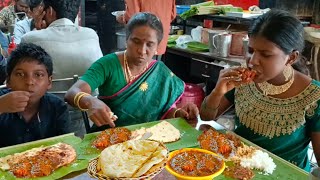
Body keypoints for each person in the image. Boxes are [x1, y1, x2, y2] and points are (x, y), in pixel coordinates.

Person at [200, 10, 320, 171]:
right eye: (250, 50)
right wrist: (217, 92)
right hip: (239, 168)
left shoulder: (313, 95)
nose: (253, 61)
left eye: (266, 54)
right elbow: (206, 116)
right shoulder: (240, 79)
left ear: (291, 58)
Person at [65, 12, 198, 131]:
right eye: (136, 41)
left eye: (150, 44)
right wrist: (90, 101)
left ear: (158, 46)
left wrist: (178, 114)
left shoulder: (160, 71)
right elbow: (72, 93)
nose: (142, 50)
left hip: (148, 139)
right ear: (126, 40)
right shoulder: (108, 64)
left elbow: (163, 112)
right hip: (109, 138)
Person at [0, 43, 72, 148]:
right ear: (8, 81)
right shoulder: (2, 101)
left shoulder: (57, 107)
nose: (29, 82)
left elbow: (65, 148)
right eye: (20, 74)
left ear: (49, 82)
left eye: (38, 75)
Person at [20, 0, 102, 79]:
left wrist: (38, 31)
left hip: (46, 93)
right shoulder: (91, 35)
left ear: (50, 11)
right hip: (86, 93)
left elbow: (19, 75)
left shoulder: (29, 39)